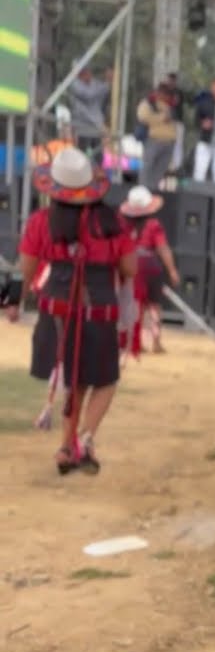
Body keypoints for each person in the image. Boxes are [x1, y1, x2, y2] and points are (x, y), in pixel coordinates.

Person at [18, 148, 137, 475]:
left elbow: (26, 271)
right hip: (97, 312)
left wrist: (15, 304)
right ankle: (83, 438)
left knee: (75, 380)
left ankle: (67, 447)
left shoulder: (41, 222)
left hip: (56, 312)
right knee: (105, 380)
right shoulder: (113, 225)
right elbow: (129, 267)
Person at [118, 187, 179, 355]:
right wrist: (172, 270)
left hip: (132, 263)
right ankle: (156, 341)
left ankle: (134, 341)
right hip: (151, 264)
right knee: (154, 305)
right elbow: (162, 248)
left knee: (135, 304)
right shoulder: (154, 225)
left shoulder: (123, 224)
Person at [136, 82, 179, 190]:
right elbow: (143, 117)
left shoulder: (171, 106)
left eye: (169, 94)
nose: (167, 97)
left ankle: (153, 190)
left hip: (169, 142)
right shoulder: (148, 103)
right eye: (165, 94)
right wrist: (162, 118)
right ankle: (143, 190)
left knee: (160, 169)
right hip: (154, 140)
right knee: (148, 167)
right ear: (159, 93)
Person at [69, 67, 111, 157]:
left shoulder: (94, 83)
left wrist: (108, 80)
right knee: (81, 154)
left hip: (95, 126)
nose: (89, 75)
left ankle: (97, 169)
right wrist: (105, 85)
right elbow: (88, 95)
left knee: (98, 156)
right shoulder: (75, 85)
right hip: (82, 127)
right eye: (85, 73)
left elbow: (105, 90)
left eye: (89, 72)